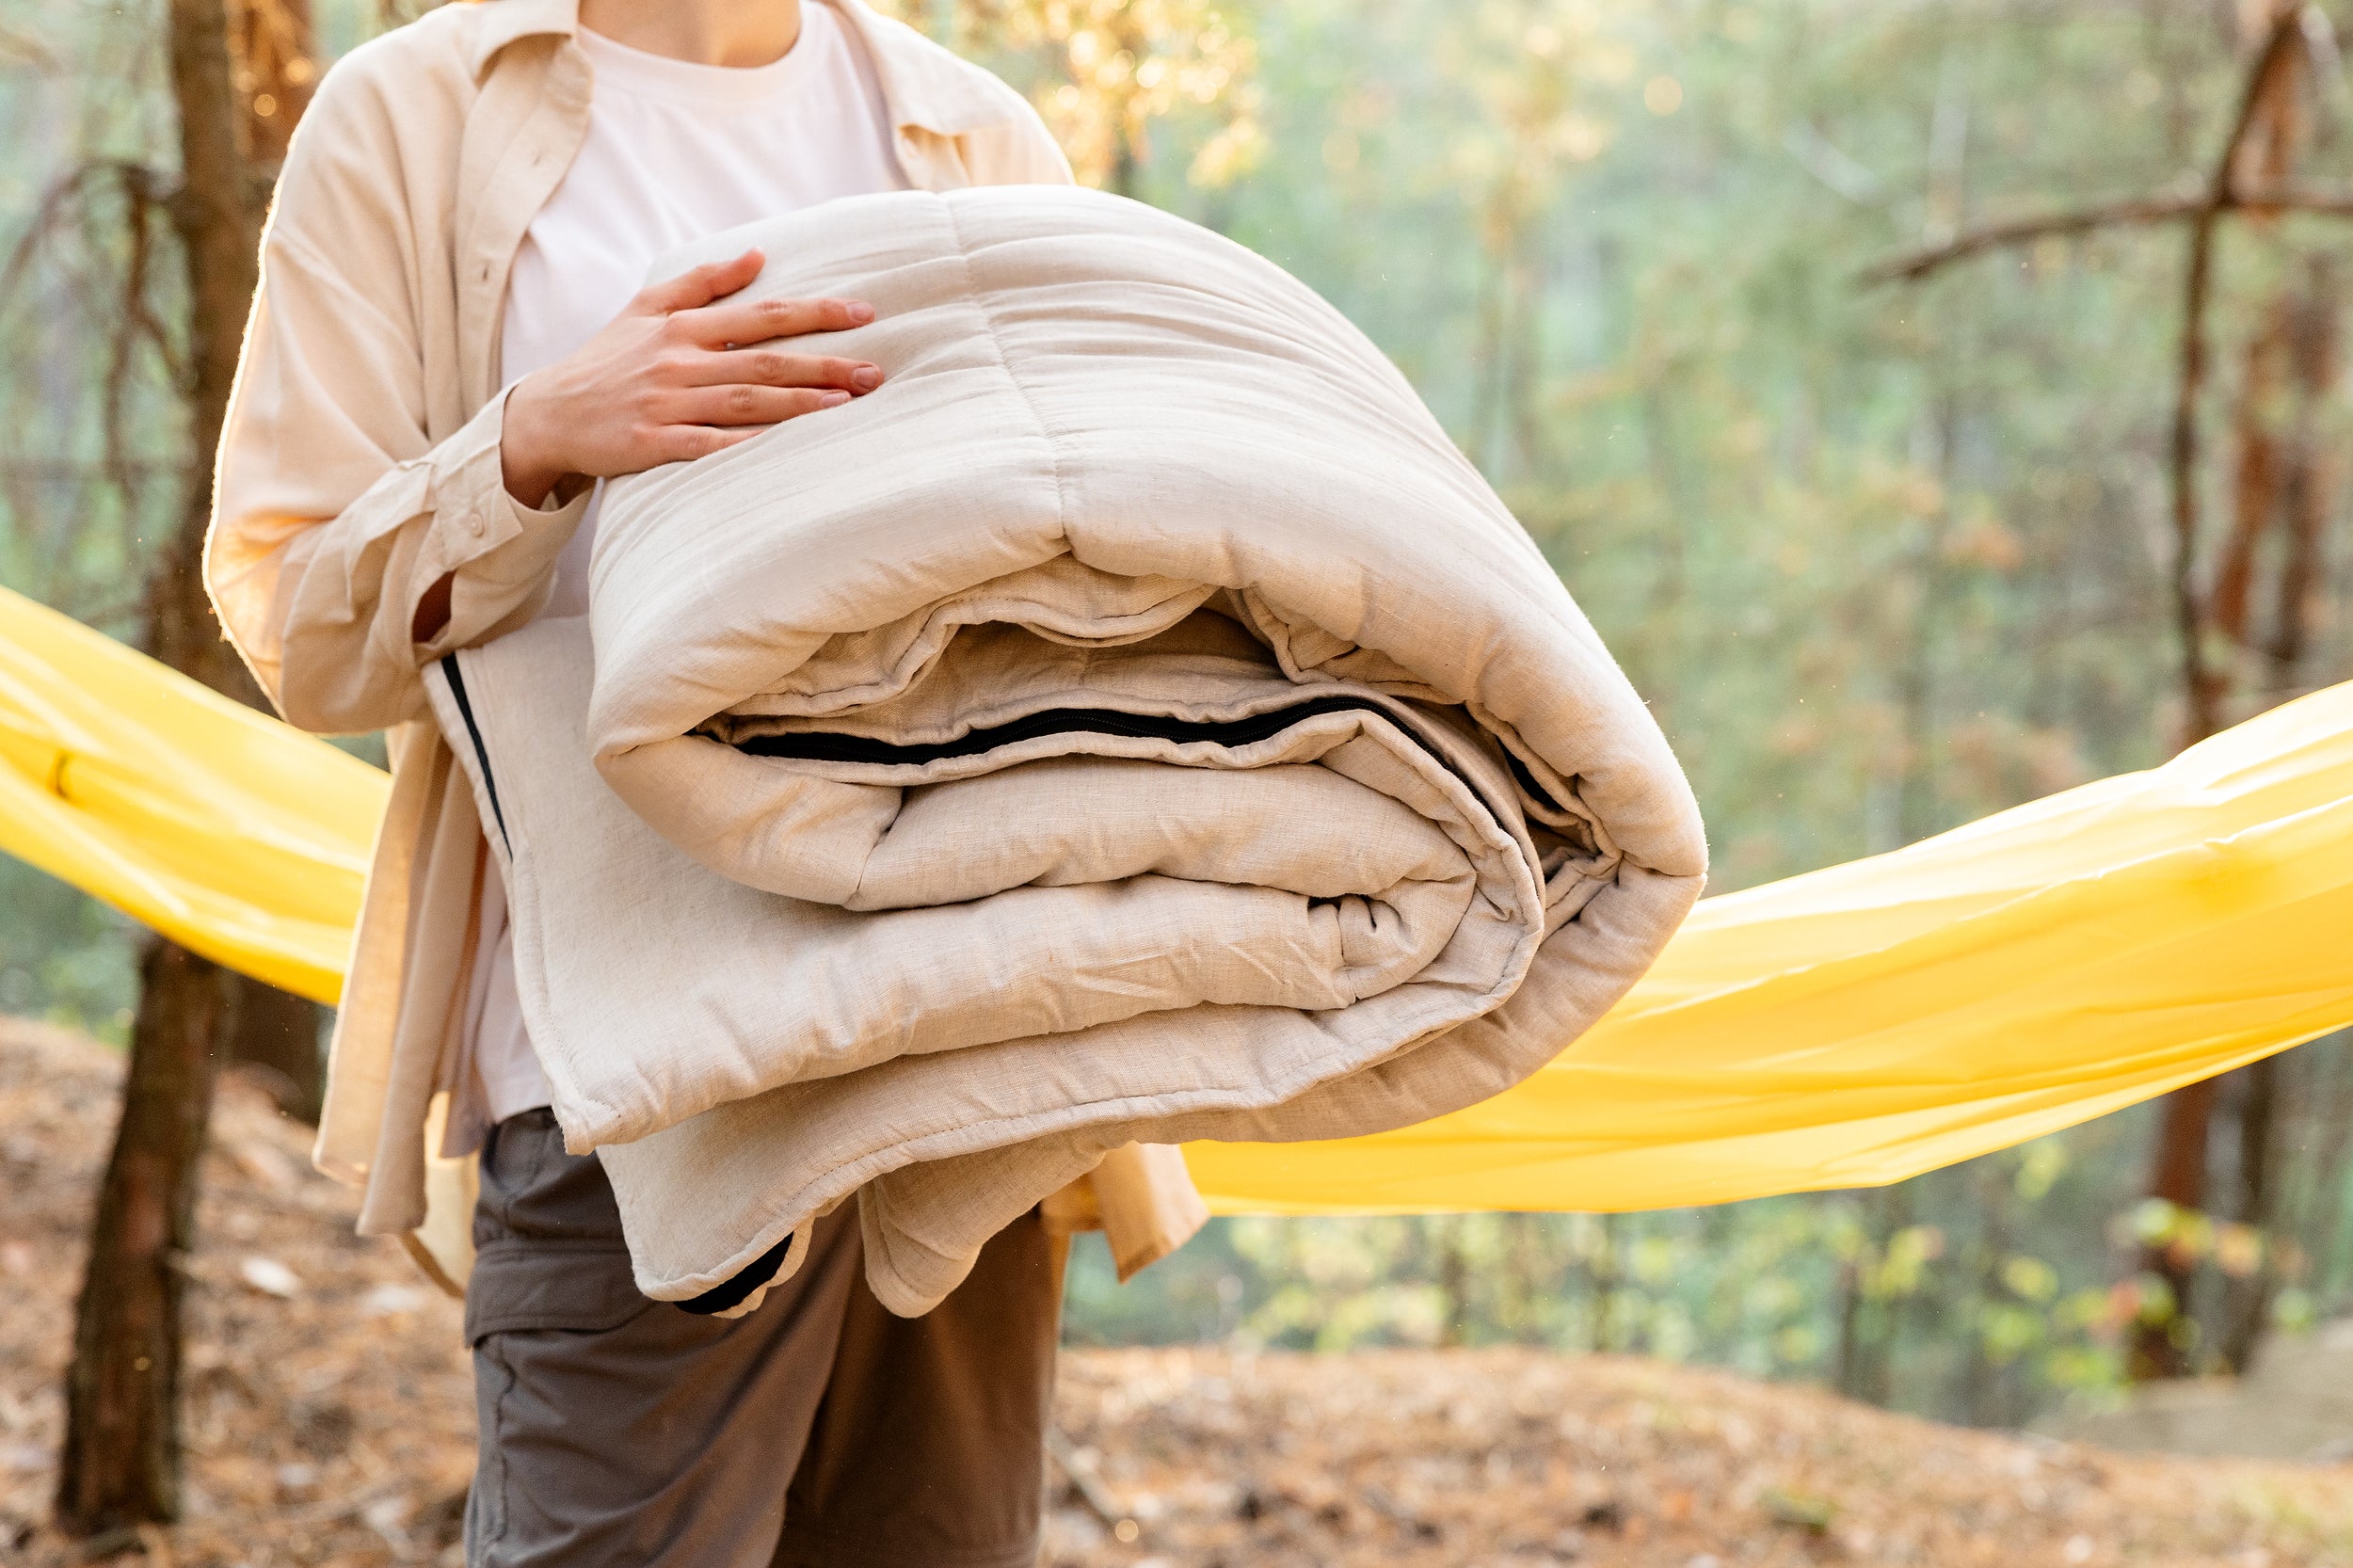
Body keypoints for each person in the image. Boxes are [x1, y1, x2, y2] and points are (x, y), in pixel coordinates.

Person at [200, 1, 1204, 1562]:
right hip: (632, 1074)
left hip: (959, 1056)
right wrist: (533, 442)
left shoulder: (968, 128)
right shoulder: (408, 118)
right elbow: (299, 625)